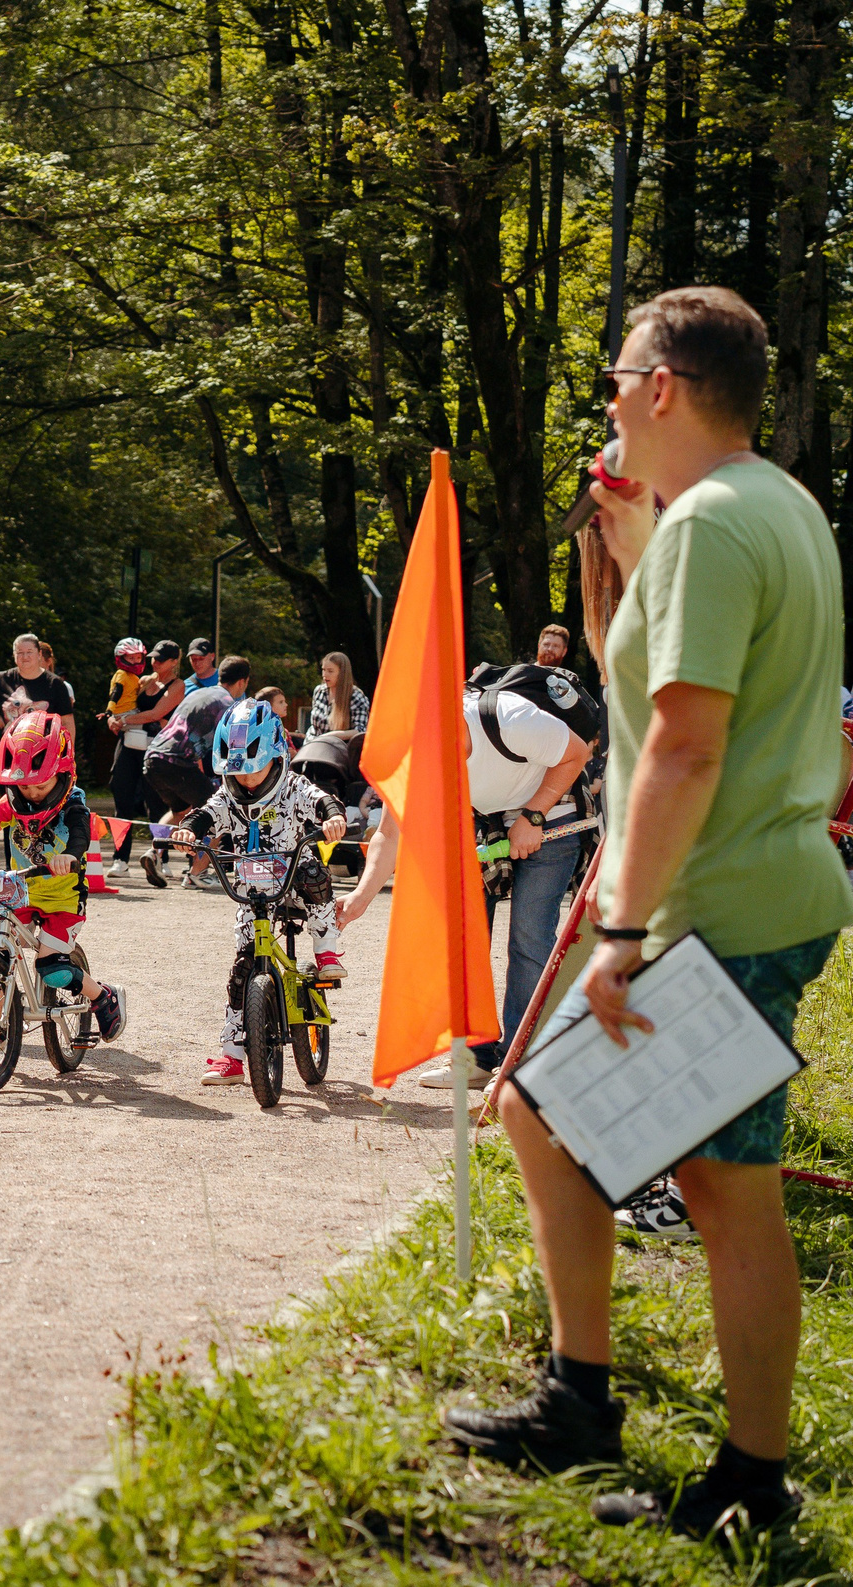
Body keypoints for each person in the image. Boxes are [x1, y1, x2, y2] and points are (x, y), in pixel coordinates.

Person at [456, 287, 850, 1537]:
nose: (611, 402)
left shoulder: (713, 531)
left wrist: (620, 928)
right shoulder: (771, 510)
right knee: (572, 1125)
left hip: (714, 907)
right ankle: (596, 1401)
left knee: (719, 1189)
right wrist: (623, 559)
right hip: (754, 890)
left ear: (664, 386)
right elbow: (647, 701)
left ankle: (744, 1481)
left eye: (621, 379)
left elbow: (681, 748)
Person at [345, 665, 598, 1090]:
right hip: (487, 824)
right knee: (463, 938)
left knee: (529, 935)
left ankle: (522, 1059)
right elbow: (389, 835)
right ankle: (477, 1056)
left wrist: (533, 817)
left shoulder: (507, 717)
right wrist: (359, 898)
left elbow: (577, 754)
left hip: (551, 814)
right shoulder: (413, 753)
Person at [170, 698, 347, 1085]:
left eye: (255, 769)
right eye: (238, 772)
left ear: (277, 757)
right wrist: (188, 830)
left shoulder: (292, 787)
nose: (247, 780)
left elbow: (322, 801)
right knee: (240, 975)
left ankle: (326, 949)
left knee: (316, 875)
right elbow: (205, 814)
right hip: (253, 891)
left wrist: (333, 817)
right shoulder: (229, 795)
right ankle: (232, 1058)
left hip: (293, 880)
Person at [0, 709, 127, 1044]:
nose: (32, 793)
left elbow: (79, 834)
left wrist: (71, 856)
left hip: (63, 898)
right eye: (23, 785)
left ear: (62, 775)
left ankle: (102, 996)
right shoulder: (11, 803)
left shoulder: (72, 803)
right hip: (20, 892)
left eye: (41, 785)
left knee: (54, 969)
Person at [139, 655, 252, 888]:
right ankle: (196, 874)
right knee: (218, 813)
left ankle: (154, 853)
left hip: (152, 758)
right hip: (177, 762)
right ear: (242, 682)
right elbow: (228, 752)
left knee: (180, 811)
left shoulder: (200, 693)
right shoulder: (228, 705)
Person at [107, 640, 184, 851]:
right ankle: (119, 857)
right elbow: (122, 705)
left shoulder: (177, 685)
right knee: (121, 801)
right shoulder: (142, 680)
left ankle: (160, 856)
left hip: (156, 750)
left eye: (161, 659)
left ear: (174, 661)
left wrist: (124, 721)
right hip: (129, 746)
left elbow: (156, 713)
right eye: (152, 657)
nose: (155, 662)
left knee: (156, 805)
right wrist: (112, 719)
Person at [0, 633, 74, 722]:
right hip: (8, 735)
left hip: (44, 735)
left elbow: (67, 722)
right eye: (20, 652)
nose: (25, 657)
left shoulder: (56, 683)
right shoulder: (1, 679)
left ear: (39, 654)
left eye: (29, 652)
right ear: (14, 655)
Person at [306, 650, 370, 737]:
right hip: (314, 743)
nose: (325, 675)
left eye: (330, 671)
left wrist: (331, 736)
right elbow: (314, 727)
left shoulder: (356, 696)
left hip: (339, 747)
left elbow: (361, 730)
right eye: (323, 670)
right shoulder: (319, 691)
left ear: (342, 673)